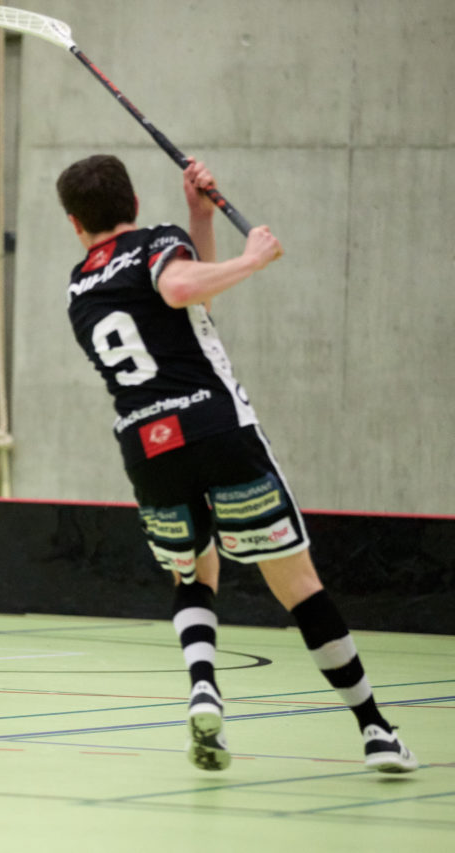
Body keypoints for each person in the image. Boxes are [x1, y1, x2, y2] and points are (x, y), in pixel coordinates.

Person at [54, 154, 417, 773]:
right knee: (297, 584)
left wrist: (200, 215)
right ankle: (375, 729)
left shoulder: (79, 284)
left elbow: (182, 304)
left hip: (147, 447)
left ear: (73, 223)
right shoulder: (156, 243)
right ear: (134, 203)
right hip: (216, 427)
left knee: (193, 572)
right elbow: (176, 288)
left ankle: (204, 687)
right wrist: (251, 259)